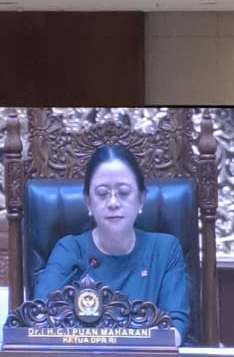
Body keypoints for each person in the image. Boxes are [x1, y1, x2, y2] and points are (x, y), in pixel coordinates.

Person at [32, 143, 192, 345]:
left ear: (141, 199)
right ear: (88, 202)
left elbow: (175, 330)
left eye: (124, 192)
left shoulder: (165, 250)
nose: (113, 203)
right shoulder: (70, 250)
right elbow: (39, 322)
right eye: (102, 193)